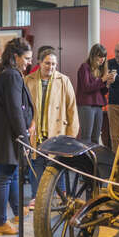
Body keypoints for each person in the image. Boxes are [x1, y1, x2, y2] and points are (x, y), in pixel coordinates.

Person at [0, 37, 35, 235]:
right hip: (6, 135)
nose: (29, 62)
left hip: (2, 134)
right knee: (4, 178)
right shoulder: (11, 75)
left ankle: (18, 212)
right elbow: (15, 110)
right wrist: (25, 140)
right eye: (26, 58)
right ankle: (0, 222)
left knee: (11, 175)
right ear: (15, 56)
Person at [24, 49, 79, 209]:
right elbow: (25, 108)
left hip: (57, 133)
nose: (51, 67)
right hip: (36, 133)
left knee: (57, 165)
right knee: (37, 165)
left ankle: (60, 196)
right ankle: (36, 197)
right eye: (47, 63)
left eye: (54, 63)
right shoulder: (28, 80)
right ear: (40, 63)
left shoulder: (64, 81)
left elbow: (72, 110)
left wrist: (71, 138)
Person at [76, 43, 111, 144]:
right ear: (93, 55)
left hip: (98, 106)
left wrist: (107, 84)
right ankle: (85, 160)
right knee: (86, 137)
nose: (102, 59)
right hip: (86, 106)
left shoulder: (100, 70)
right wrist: (102, 80)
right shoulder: (84, 67)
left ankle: (95, 159)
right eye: (100, 56)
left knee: (96, 137)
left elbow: (101, 92)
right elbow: (86, 87)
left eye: (104, 56)